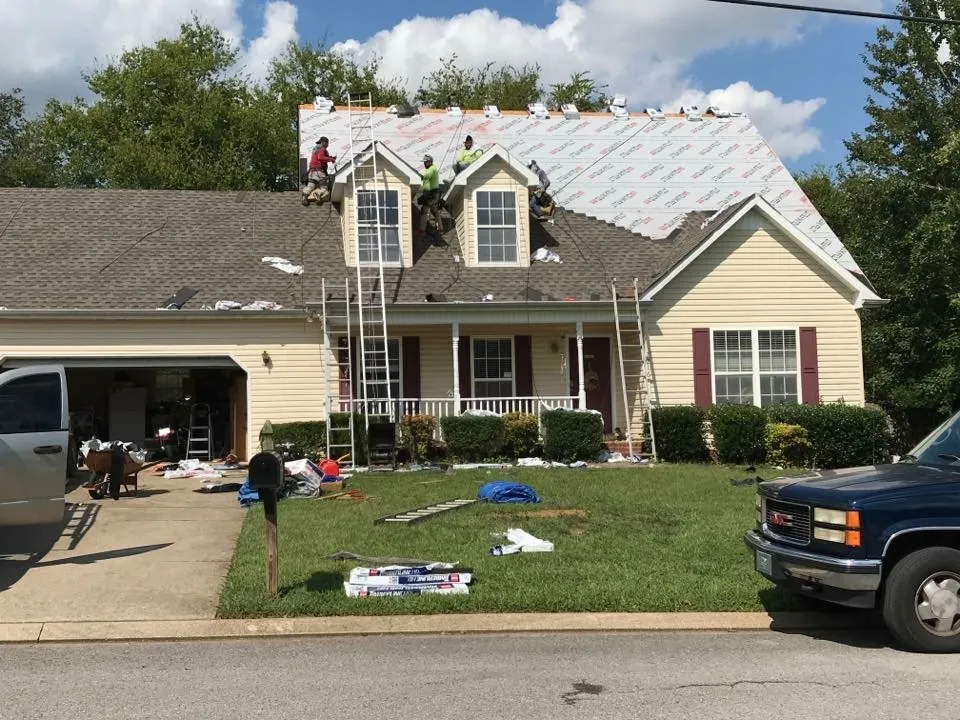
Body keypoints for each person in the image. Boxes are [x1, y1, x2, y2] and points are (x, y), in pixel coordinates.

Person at [302, 136, 337, 206]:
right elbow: (321, 157)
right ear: (324, 142)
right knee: (324, 188)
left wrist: (330, 158)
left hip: (312, 172)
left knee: (310, 186)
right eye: (327, 143)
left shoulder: (316, 149)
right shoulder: (322, 149)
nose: (328, 145)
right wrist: (332, 160)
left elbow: (320, 157)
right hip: (319, 172)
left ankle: (304, 196)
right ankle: (317, 195)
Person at [418, 154, 443, 233]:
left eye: (426, 162)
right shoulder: (428, 169)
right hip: (429, 193)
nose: (425, 164)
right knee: (434, 210)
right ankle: (440, 227)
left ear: (430, 162)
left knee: (425, 210)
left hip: (433, 193)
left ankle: (422, 229)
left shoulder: (432, 168)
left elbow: (427, 176)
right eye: (424, 162)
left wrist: (419, 175)